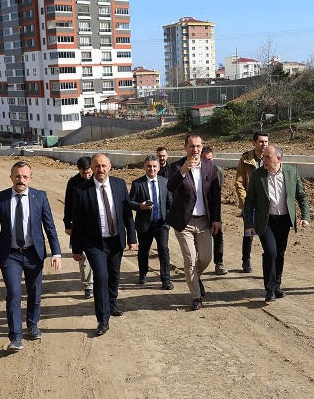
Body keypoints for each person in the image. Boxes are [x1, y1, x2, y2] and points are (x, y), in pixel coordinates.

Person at [0, 161, 62, 353]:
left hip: (33, 254)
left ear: (30, 178)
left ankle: (32, 325)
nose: (21, 180)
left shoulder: (40, 197)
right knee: (13, 293)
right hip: (10, 255)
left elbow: (50, 227)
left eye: (25, 176)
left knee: (34, 292)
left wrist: (56, 253)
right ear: (11, 177)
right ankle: (15, 337)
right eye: (17, 176)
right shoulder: (0, 198)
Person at [71, 153, 136, 336]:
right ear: (92, 168)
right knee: (101, 276)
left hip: (115, 239)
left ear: (110, 167)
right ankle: (103, 319)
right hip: (94, 243)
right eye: (97, 166)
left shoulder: (119, 184)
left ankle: (112, 304)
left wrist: (132, 238)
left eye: (103, 166)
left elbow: (127, 214)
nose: (100, 170)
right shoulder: (82, 190)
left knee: (114, 276)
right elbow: (78, 222)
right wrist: (76, 249)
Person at [244, 144, 310, 302]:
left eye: (267, 157)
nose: (264, 160)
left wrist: (305, 216)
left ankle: (277, 285)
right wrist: (249, 224)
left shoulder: (291, 172)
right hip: (265, 221)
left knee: (280, 253)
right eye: (263, 157)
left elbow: (301, 195)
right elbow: (250, 200)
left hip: (284, 220)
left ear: (278, 159)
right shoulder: (258, 174)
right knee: (271, 252)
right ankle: (270, 288)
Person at [167, 134, 221, 311]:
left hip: (204, 221)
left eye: (198, 146)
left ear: (202, 147)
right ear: (185, 147)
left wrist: (216, 219)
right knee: (190, 259)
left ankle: (194, 278)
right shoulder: (176, 166)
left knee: (206, 258)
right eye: (191, 146)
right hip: (185, 222)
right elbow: (170, 187)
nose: (195, 150)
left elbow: (215, 195)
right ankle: (196, 297)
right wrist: (183, 170)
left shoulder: (210, 166)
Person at [129, 155, 173, 290]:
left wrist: (170, 218)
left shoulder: (165, 182)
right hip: (145, 224)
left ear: (159, 168)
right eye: (149, 166)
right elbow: (130, 202)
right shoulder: (137, 183)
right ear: (144, 167)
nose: (152, 169)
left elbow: (170, 202)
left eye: (154, 166)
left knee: (163, 250)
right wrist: (140, 206)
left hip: (161, 223)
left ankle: (166, 279)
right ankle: (143, 273)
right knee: (144, 250)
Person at [235, 131, 269, 273]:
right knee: (249, 234)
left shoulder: (271, 157)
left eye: (266, 141)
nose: (264, 144)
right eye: (261, 141)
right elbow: (239, 183)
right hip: (250, 204)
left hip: (267, 205)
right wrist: (246, 203)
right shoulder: (245, 160)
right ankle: (246, 261)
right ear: (254, 143)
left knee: (267, 236)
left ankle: (268, 266)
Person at [63, 156, 94, 298]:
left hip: (98, 225)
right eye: (83, 173)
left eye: (89, 173)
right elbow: (68, 205)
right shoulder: (73, 183)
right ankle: (88, 285)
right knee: (84, 256)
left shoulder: (98, 179)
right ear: (78, 170)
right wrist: (67, 224)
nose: (87, 176)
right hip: (80, 225)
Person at [201, 146, 228, 275]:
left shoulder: (218, 171)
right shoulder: (195, 171)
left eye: (210, 159)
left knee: (218, 234)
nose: (208, 162)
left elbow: (217, 193)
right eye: (205, 159)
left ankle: (219, 263)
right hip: (200, 210)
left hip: (214, 208)